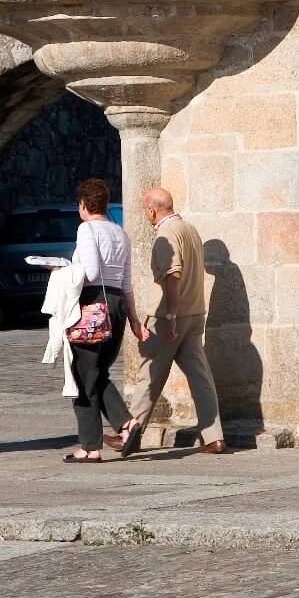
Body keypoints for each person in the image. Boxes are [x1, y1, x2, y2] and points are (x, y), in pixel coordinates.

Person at [119, 187, 224, 457]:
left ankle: (130, 433)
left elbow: (172, 275)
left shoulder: (166, 234)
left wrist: (171, 314)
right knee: (201, 376)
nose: (146, 214)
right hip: (195, 313)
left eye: (145, 209)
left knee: (149, 374)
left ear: (152, 210)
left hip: (169, 317)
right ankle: (214, 437)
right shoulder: (189, 229)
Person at [63, 177, 144, 463]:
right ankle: (126, 424)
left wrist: (64, 270)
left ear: (83, 205)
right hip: (118, 305)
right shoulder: (120, 233)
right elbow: (126, 282)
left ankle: (90, 446)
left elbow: (91, 272)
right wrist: (134, 321)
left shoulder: (87, 229)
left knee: (83, 375)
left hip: (93, 304)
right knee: (98, 372)